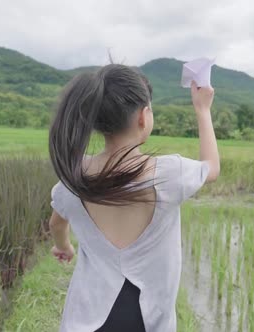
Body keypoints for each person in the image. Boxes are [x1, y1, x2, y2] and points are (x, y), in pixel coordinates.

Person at [47, 64, 220, 332]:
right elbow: (211, 166)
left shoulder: (73, 180)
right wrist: (202, 109)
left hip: (87, 321)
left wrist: (64, 247)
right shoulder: (168, 174)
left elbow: (57, 224)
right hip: (148, 322)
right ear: (143, 116)